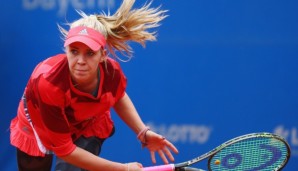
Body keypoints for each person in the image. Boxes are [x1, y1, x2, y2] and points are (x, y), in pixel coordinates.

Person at [9, 0, 178, 170]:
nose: (80, 61)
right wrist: (124, 168)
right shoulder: (48, 83)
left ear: (103, 55)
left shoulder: (111, 72)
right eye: (74, 51)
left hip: (86, 124)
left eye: (90, 53)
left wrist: (143, 132)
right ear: (65, 50)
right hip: (38, 124)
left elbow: (117, 96)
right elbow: (65, 150)